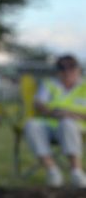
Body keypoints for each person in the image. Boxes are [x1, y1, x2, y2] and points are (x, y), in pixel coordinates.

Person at [23, 54, 86, 188]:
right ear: (58, 70)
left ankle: (77, 171)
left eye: (71, 67)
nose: (67, 71)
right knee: (31, 125)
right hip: (50, 125)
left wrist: (70, 114)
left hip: (78, 127)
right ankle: (52, 171)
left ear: (78, 69)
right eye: (62, 68)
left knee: (67, 123)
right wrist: (54, 113)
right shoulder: (49, 84)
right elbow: (38, 104)